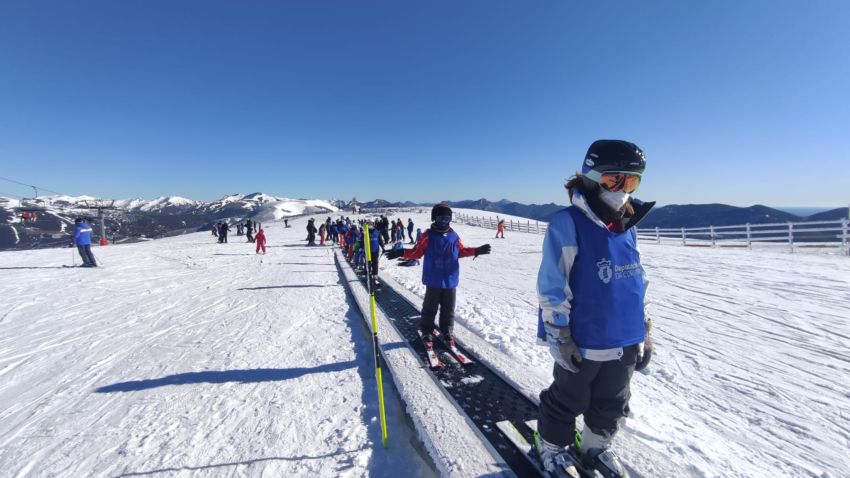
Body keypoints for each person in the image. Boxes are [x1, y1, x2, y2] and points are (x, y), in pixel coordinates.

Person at [534, 140, 655, 478]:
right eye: (614, 181)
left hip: (625, 336)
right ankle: (553, 447)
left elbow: (635, 281)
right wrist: (559, 332)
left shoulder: (627, 226)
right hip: (585, 336)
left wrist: (643, 329)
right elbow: (552, 283)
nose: (623, 191)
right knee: (568, 398)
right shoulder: (568, 223)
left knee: (613, 400)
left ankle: (595, 447)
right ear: (591, 177)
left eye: (631, 182)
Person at [384, 204, 490, 347]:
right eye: (441, 218)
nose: (444, 222)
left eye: (447, 219)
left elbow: (460, 251)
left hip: (450, 280)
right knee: (430, 308)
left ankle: (447, 330)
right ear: (434, 218)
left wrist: (476, 250)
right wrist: (401, 252)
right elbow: (417, 252)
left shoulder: (454, 236)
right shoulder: (427, 236)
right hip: (434, 279)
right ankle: (426, 329)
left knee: (448, 309)